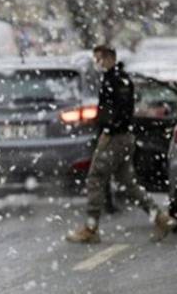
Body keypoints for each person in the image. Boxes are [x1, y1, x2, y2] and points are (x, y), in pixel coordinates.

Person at [66, 45, 177, 244]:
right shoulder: (120, 78)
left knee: (95, 178)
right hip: (124, 136)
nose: (97, 63)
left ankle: (91, 228)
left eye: (99, 59)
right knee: (128, 182)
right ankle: (160, 217)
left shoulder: (114, 80)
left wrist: (107, 130)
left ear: (109, 58)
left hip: (114, 137)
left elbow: (115, 113)